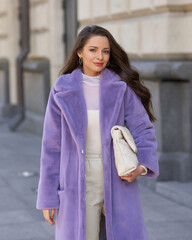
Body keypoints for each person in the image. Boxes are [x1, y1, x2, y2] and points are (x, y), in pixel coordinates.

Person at [36, 25, 159, 240]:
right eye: (93, 50)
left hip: (118, 176)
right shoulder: (62, 89)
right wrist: (47, 198)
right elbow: (51, 147)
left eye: (105, 51)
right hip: (76, 180)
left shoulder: (120, 87)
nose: (100, 57)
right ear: (79, 52)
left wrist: (141, 167)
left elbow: (143, 129)